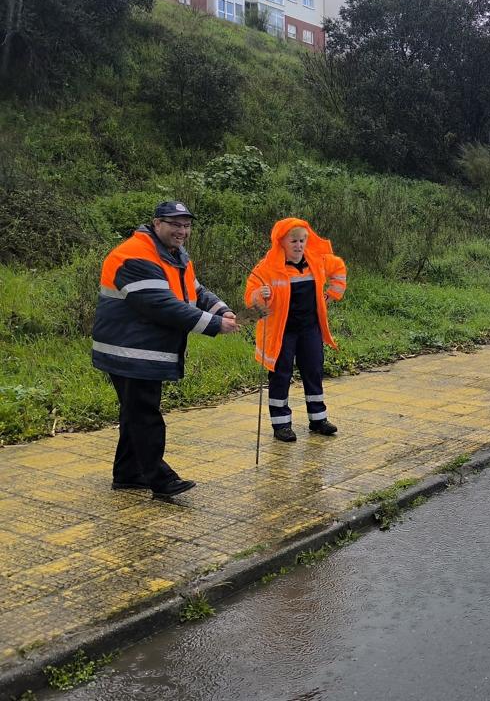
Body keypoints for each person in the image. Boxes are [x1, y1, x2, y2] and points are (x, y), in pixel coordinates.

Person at [92, 201, 238, 499]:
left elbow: (193, 290)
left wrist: (221, 309)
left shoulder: (173, 255)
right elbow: (161, 305)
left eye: (186, 225)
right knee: (145, 413)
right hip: (129, 350)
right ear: (157, 223)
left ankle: (128, 474)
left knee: (135, 411)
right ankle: (161, 479)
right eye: (175, 224)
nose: (182, 231)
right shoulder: (134, 255)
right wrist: (213, 324)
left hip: (142, 349)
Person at [244, 218, 347, 442]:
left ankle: (318, 420)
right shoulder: (267, 267)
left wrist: (332, 294)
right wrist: (261, 294)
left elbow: (339, 268)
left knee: (313, 370)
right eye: (293, 241)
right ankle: (281, 425)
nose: (299, 245)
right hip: (282, 332)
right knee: (281, 375)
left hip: (310, 329)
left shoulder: (317, 261)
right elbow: (250, 298)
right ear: (281, 242)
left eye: (302, 240)